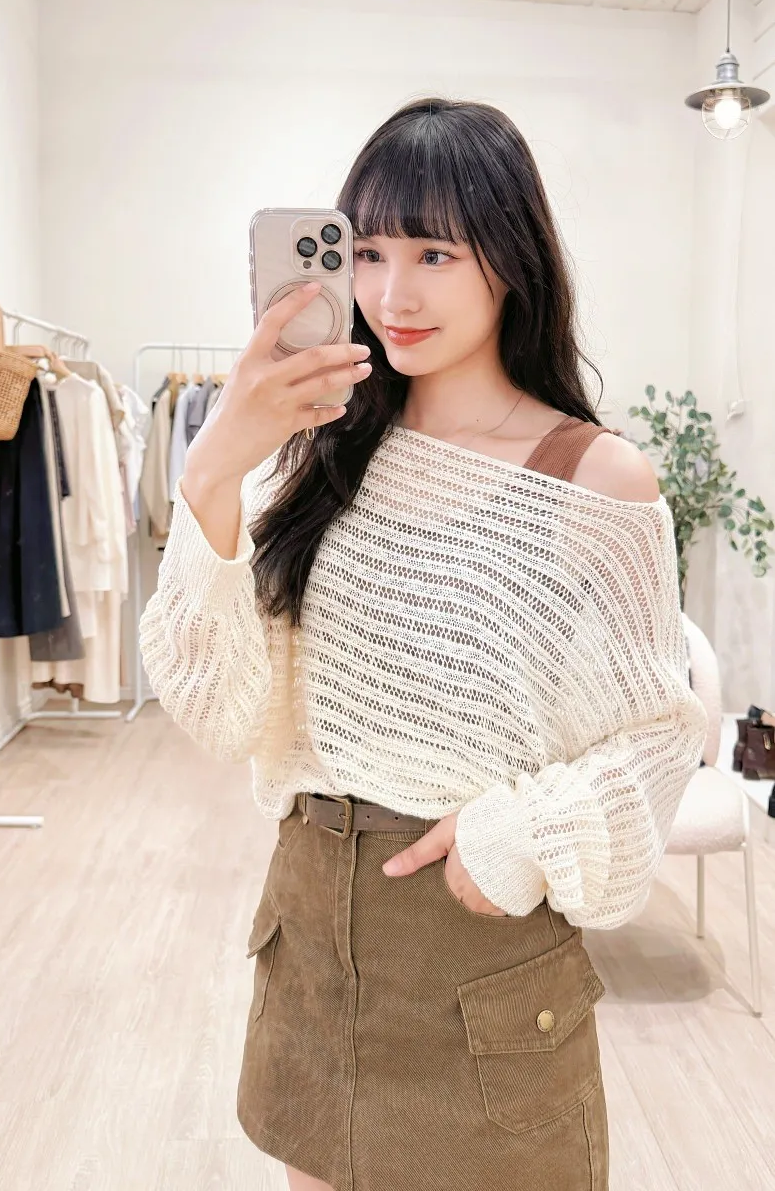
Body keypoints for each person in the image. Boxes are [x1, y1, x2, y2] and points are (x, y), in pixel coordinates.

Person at [139, 98, 708, 1191]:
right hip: (309, 926)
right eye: (368, 252)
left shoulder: (593, 478)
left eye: (434, 254)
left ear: (509, 259)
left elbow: (657, 735)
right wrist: (213, 467)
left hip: (475, 942)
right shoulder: (310, 456)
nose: (392, 295)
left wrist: (520, 837)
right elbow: (218, 710)